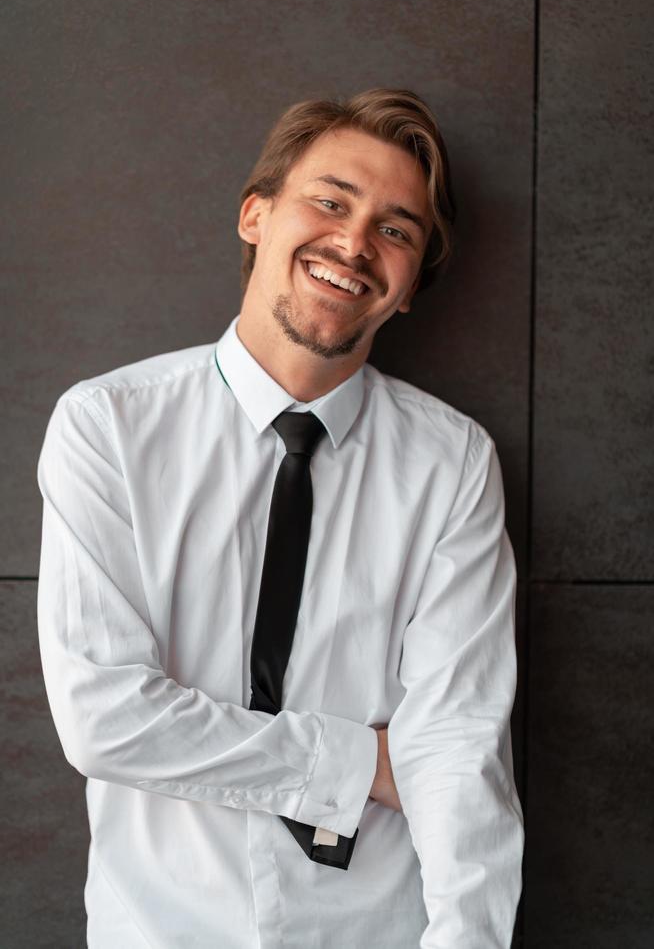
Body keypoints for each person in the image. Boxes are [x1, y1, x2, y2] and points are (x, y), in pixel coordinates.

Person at [36, 87, 524, 948]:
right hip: (158, 929)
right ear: (255, 215)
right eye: (330, 202)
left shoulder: (453, 466)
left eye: (397, 230)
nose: (355, 243)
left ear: (409, 289)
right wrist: (359, 764)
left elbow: (456, 748)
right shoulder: (106, 427)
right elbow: (106, 717)